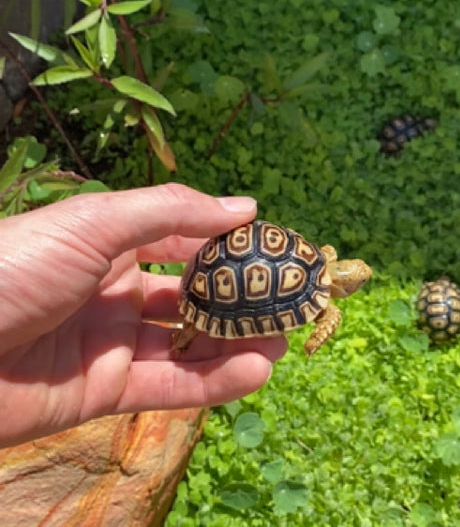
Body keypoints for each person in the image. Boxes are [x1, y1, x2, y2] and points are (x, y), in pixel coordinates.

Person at [0, 183, 288, 449]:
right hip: (214, 291)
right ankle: (189, 331)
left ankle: (190, 330)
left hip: (208, 287)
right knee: (206, 337)